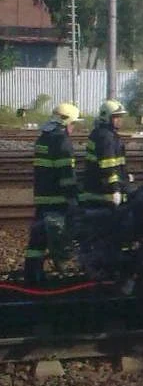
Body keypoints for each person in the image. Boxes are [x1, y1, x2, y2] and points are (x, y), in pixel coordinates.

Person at [24, 102, 80, 285]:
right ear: (66, 123)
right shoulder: (62, 141)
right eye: (73, 124)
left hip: (42, 197)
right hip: (57, 199)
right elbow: (67, 176)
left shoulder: (43, 138)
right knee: (59, 237)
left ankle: (32, 273)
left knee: (38, 239)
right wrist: (73, 198)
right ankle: (64, 273)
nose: (73, 128)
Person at [81, 99, 130, 210]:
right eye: (116, 117)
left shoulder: (103, 134)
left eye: (120, 116)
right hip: (104, 194)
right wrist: (115, 189)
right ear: (106, 117)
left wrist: (125, 177)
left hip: (98, 191)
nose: (120, 120)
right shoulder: (106, 137)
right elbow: (108, 166)